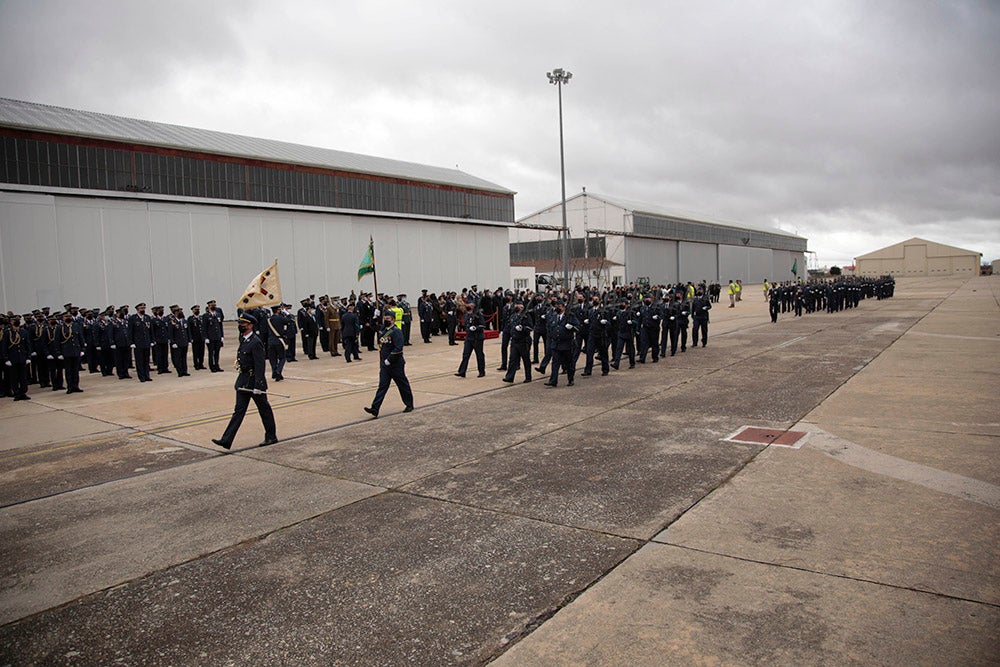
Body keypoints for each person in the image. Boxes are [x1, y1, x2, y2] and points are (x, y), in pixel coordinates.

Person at [212, 313, 277, 449]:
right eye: (240, 324)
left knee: (264, 409)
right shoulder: (244, 339)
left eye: (243, 324)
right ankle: (226, 440)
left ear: (250, 326)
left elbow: (260, 365)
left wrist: (259, 384)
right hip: (243, 381)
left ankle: (271, 436)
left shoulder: (256, 342)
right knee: (238, 411)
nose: (240, 326)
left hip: (254, 382)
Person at [364, 310, 414, 418]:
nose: (386, 321)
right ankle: (375, 408)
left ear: (393, 320)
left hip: (395, 364)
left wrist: (390, 359)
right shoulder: (383, 329)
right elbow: (372, 327)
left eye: (388, 319)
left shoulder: (396, 332)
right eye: (384, 318)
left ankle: (409, 404)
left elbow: (398, 348)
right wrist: (374, 316)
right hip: (385, 366)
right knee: (382, 386)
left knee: (402, 385)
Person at [501, 302, 533, 383]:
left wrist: (523, 328)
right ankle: (509, 377)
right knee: (512, 360)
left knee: (526, 360)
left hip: (523, 341)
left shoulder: (526, 316)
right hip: (514, 341)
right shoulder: (513, 316)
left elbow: (530, 327)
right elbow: (510, 326)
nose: (515, 306)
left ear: (522, 307)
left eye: (517, 306)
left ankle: (528, 377)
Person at [455, 303, 486, 377]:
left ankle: (481, 371)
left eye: (469, 305)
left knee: (479, 355)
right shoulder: (466, 315)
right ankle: (462, 371)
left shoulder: (478, 315)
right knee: (465, 355)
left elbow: (483, 325)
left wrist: (476, 328)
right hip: (469, 338)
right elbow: (466, 324)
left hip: (477, 338)